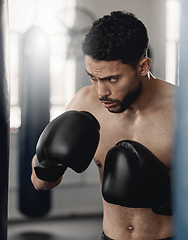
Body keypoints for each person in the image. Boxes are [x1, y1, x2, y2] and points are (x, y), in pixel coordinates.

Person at [31, 11, 175, 240]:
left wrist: (168, 198)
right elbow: (41, 184)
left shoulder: (181, 112)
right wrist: (48, 164)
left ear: (143, 66)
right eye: (93, 78)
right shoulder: (85, 103)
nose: (101, 93)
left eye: (113, 79)